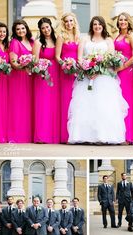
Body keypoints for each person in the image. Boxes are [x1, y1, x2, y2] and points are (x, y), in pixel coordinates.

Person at [68, 16, 128, 144]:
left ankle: (104, 136)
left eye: (99, 24)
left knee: (103, 105)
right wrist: (87, 70)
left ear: (103, 26)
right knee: (86, 105)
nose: (97, 26)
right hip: (86, 77)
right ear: (91, 26)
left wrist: (98, 71)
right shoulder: (85, 39)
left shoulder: (108, 40)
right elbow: (79, 58)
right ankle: (85, 137)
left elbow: (110, 58)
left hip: (104, 77)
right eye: (95, 24)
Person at [33, 17, 60, 144]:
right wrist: (43, 63)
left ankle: (54, 136)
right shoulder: (38, 43)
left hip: (57, 76)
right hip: (44, 77)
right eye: (43, 28)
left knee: (54, 105)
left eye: (47, 27)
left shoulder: (57, 40)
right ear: (40, 30)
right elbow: (35, 60)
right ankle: (42, 136)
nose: (45, 30)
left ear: (51, 27)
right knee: (43, 105)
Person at [114, 12, 133, 144]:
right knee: (119, 102)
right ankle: (120, 133)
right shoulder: (117, 36)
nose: (122, 22)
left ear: (128, 22)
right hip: (117, 71)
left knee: (128, 101)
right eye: (120, 20)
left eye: (125, 20)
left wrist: (123, 66)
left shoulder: (130, 36)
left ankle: (130, 135)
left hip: (126, 72)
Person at [8, 19, 34, 143]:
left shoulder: (32, 42)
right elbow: (13, 63)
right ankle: (17, 134)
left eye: (22, 28)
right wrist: (23, 67)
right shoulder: (14, 42)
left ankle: (29, 134)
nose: (20, 31)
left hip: (31, 78)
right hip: (19, 78)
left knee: (30, 106)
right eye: (17, 29)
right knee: (19, 105)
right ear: (15, 31)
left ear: (26, 29)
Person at [55, 12, 80, 143]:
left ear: (74, 22)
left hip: (77, 73)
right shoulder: (61, 37)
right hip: (65, 74)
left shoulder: (78, 37)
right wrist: (64, 65)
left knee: (76, 102)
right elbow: (57, 56)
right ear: (64, 23)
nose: (69, 23)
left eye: (71, 21)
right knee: (66, 102)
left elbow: (80, 55)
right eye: (66, 21)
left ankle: (75, 134)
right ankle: (65, 136)